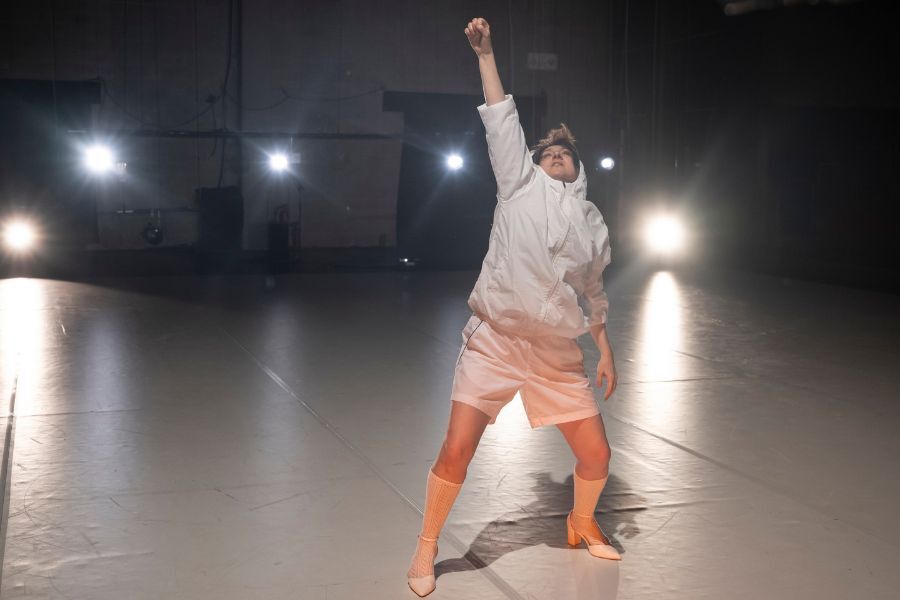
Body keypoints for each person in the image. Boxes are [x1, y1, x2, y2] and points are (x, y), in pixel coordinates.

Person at [407, 17, 620, 597]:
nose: (557, 156)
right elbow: (500, 113)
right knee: (456, 450)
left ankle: (580, 521)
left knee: (597, 455)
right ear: (533, 160)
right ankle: (426, 546)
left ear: (576, 170)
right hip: (496, 341)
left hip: (554, 350)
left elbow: (593, 288)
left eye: (565, 155)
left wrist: (603, 348)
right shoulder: (517, 184)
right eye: (548, 151)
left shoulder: (591, 222)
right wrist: (487, 54)